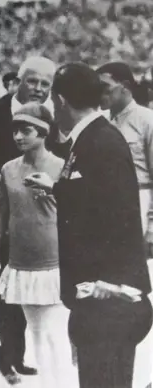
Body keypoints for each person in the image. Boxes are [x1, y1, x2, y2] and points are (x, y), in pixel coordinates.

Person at [26, 62, 152, 388]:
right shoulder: (94, 138)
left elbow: (110, 219)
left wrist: (93, 293)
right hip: (103, 299)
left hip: (108, 301)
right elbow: (97, 197)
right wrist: (57, 188)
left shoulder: (100, 141)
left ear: (61, 101)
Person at [0, 56, 59, 383]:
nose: (38, 88)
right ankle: (2, 361)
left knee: (24, 290)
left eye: (45, 84)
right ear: (18, 81)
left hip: (32, 222)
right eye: (32, 81)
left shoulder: (51, 119)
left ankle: (18, 358)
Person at [0, 102, 74, 388]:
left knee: (56, 333)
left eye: (26, 130)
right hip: (21, 263)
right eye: (15, 131)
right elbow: (1, 214)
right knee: (35, 333)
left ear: (44, 132)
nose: (18, 137)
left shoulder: (62, 167)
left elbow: (78, 214)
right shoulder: (9, 169)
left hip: (54, 262)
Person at [96, 61, 153, 388]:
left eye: (106, 86)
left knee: (143, 297)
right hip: (112, 217)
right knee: (120, 297)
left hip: (141, 208)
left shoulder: (146, 120)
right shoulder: (102, 124)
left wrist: (151, 227)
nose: (101, 93)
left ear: (125, 86)